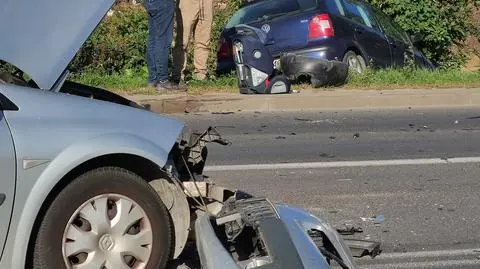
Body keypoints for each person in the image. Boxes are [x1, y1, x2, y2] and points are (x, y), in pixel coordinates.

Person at [144, 0, 185, 92]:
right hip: (163, 3)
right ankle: (163, 82)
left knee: (153, 39)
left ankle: (153, 79)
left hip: (150, 2)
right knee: (163, 41)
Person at [172, 0, 213, 83]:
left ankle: (200, 75)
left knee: (204, 41)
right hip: (187, 3)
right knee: (182, 40)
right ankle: (178, 75)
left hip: (206, 3)